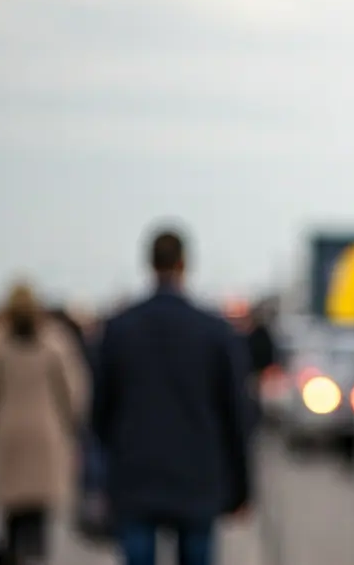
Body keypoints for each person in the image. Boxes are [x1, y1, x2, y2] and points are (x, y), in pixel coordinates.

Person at [93, 227, 254, 565]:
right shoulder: (214, 331)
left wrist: (105, 466)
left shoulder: (120, 328)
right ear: (184, 264)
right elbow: (236, 412)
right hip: (197, 473)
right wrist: (241, 485)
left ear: (149, 263)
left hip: (136, 470)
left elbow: (100, 408)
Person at [0, 282, 89, 565]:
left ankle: (14, 552)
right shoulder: (56, 341)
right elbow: (75, 391)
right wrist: (72, 425)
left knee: (12, 509)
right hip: (47, 434)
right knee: (38, 509)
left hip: (6, 434)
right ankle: (33, 554)